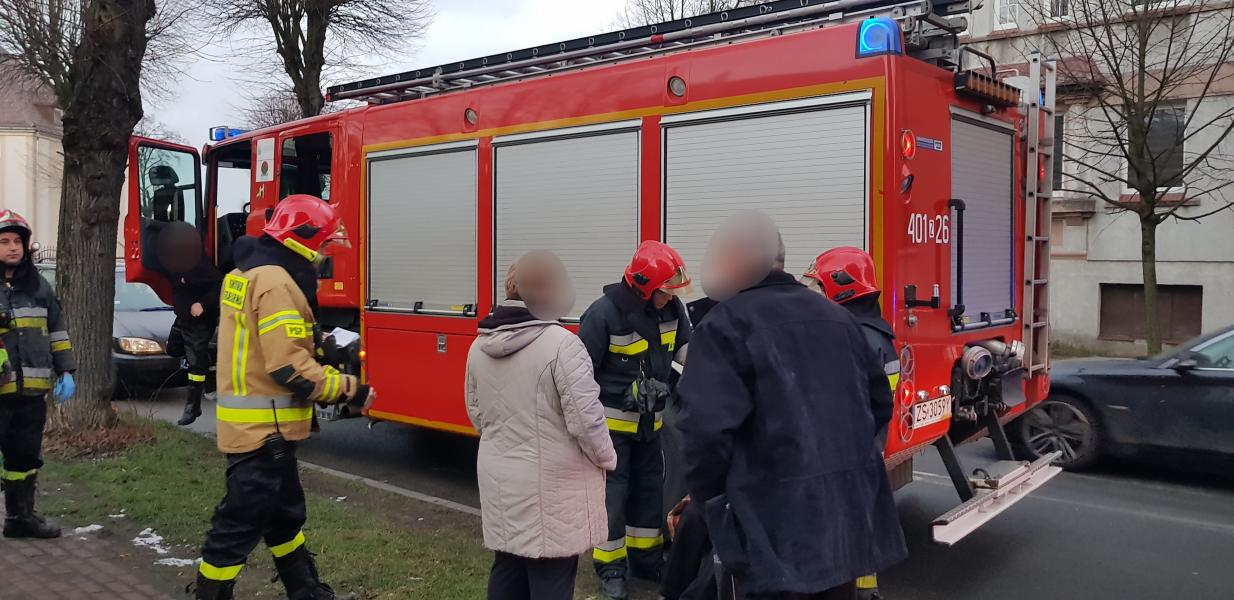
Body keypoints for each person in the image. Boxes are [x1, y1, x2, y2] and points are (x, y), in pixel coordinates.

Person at [677, 211, 907, 600]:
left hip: (767, 529)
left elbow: (703, 436)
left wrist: (717, 507)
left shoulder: (722, 326)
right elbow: (878, 405)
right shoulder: (840, 319)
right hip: (841, 526)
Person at [192, 195, 375, 600]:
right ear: (303, 240)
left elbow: (262, 341)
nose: (326, 255)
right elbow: (288, 368)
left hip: (262, 429)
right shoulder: (276, 283)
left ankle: (305, 589)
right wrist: (351, 389)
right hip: (264, 432)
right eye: (325, 245)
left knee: (284, 517)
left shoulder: (249, 273)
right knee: (238, 525)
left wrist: (320, 340)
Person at [465, 251, 618, 600]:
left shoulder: (479, 345)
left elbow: (476, 413)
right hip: (554, 485)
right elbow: (587, 422)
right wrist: (607, 458)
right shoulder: (563, 345)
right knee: (552, 576)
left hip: (499, 477)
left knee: (507, 568)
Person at [579, 240, 693, 600]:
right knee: (614, 498)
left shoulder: (672, 310)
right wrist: (623, 395)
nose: (669, 298)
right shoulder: (603, 314)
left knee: (648, 494)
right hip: (612, 429)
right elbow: (579, 378)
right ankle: (611, 568)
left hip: (651, 425)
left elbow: (688, 353)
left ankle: (646, 560)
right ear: (644, 287)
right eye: (663, 291)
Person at [803, 247, 900, 600]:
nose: (817, 295)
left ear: (841, 288)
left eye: (820, 287)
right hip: (866, 445)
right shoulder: (878, 332)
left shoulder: (852, 337)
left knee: (842, 526)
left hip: (847, 450)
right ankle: (865, 590)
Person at [0, 209, 76, 539]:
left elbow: (56, 329)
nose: (12, 248)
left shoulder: (38, 286)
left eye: (17, 241)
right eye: (4, 242)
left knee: (25, 457)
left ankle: (20, 519)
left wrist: (67, 371)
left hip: (31, 392)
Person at [158, 221, 222, 426]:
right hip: (182, 318)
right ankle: (208, 361)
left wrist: (202, 304)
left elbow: (219, 285)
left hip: (198, 321)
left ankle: (192, 407)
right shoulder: (175, 262)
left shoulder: (200, 264)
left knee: (195, 365)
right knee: (174, 348)